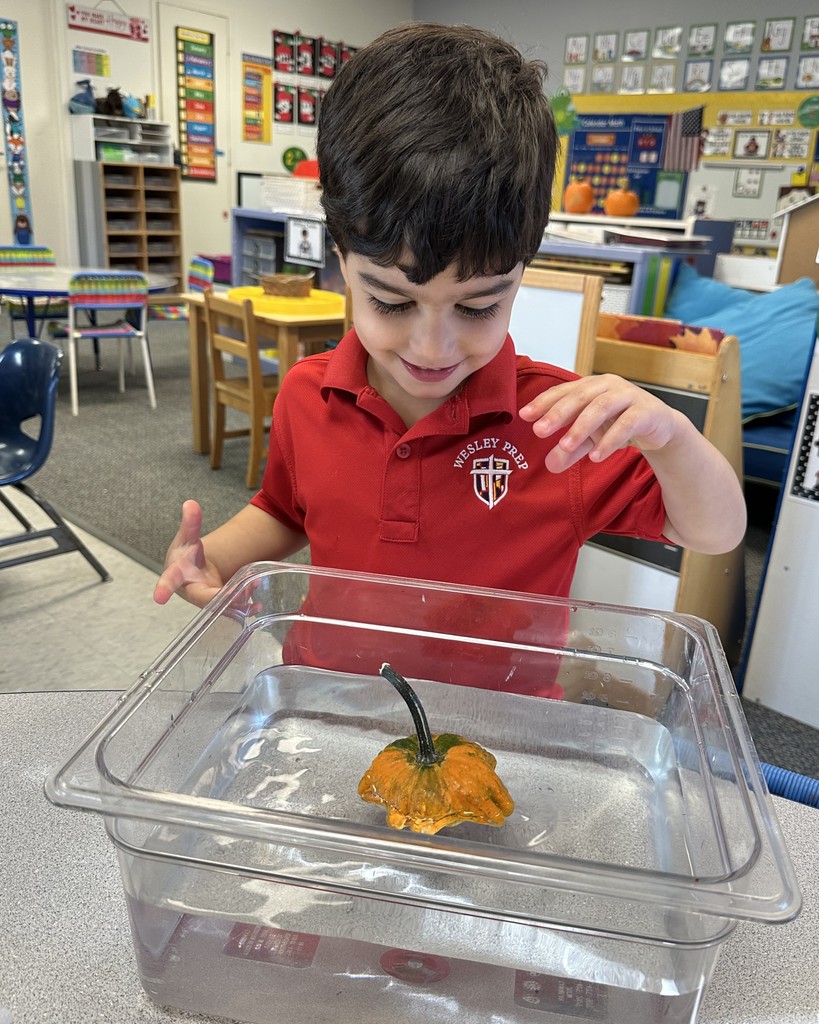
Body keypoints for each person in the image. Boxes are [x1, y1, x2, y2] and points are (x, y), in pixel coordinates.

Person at [154, 23, 745, 631]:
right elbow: (285, 510)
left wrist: (672, 437)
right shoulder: (310, 395)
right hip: (331, 704)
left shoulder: (560, 425)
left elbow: (716, 532)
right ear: (343, 265)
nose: (432, 347)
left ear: (521, 275)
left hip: (493, 720)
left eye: (477, 308)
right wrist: (218, 559)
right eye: (390, 302)